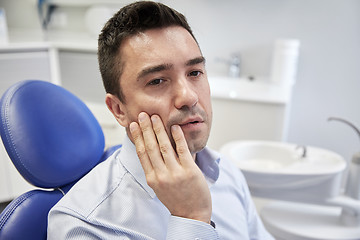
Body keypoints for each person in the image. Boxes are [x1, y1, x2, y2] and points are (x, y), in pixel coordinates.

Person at [47, 1, 274, 239]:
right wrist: (191, 218)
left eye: (195, 73)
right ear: (118, 109)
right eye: (157, 81)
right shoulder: (85, 224)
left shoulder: (226, 172)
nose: (189, 96)